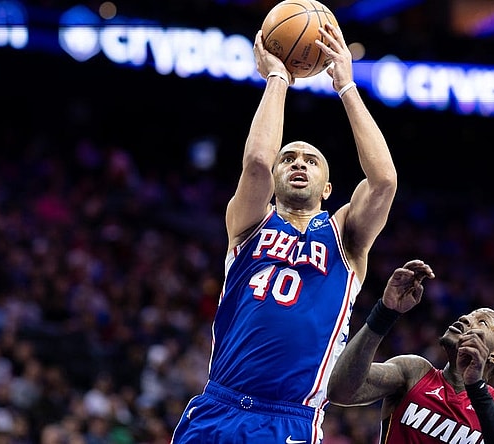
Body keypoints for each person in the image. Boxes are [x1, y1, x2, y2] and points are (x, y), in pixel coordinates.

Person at [171, 21, 398, 444]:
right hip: (217, 406)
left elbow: (384, 181)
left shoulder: (346, 235)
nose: (298, 163)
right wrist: (278, 77)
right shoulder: (249, 222)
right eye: (289, 159)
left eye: (311, 161)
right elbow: (258, 161)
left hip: (290, 418)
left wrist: (346, 87)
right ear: (275, 180)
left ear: (327, 188)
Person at [328, 260, 494, 444]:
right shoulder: (413, 372)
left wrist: (475, 388)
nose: (465, 318)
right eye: (469, 315)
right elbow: (340, 392)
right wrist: (385, 313)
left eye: (482, 322)